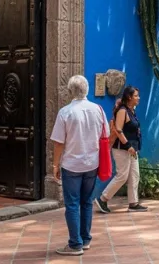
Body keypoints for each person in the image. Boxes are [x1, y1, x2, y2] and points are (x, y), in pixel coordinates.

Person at [51, 75, 109, 257]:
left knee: (72, 204)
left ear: (70, 91)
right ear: (87, 90)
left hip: (72, 165)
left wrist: (55, 164)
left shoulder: (65, 112)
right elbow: (105, 135)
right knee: (87, 202)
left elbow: (59, 142)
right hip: (92, 163)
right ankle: (85, 239)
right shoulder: (98, 110)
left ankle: (75, 244)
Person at [95, 86, 147, 213]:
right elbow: (118, 130)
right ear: (129, 97)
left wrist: (133, 147)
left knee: (134, 175)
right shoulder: (122, 111)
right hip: (122, 149)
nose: (138, 98)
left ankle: (133, 203)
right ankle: (103, 199)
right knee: (122, 176)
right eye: (136, 96)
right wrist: (128, 145)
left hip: (132, 149)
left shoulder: (131, 110)